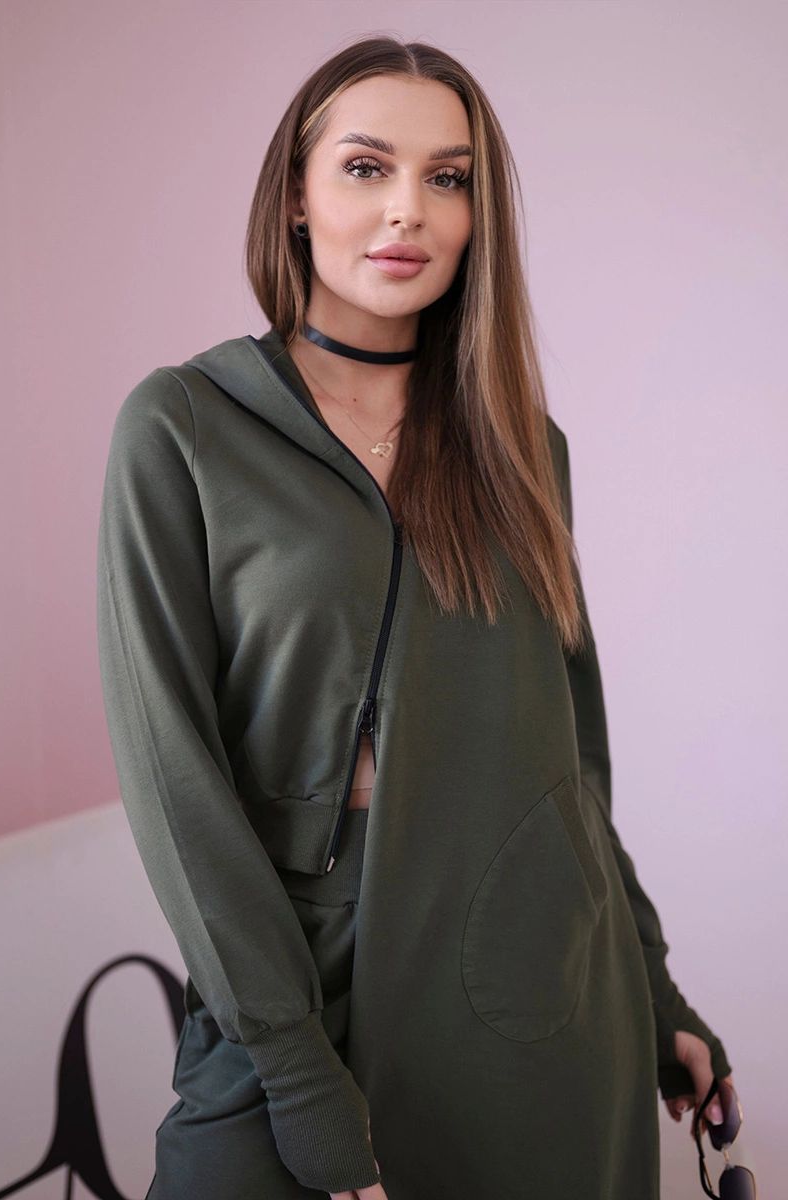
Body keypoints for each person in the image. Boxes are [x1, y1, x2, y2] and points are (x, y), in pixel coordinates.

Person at [96, 34, 739, 1200]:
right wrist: (294, 1073)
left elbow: (569, 758)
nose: (408, 209)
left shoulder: (521, 447)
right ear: (295, 197)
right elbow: (172, 778)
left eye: (447, 178)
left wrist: (653, 989)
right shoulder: (184, 428)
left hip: (534, 995)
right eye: (365, 167)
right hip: (301, 978)